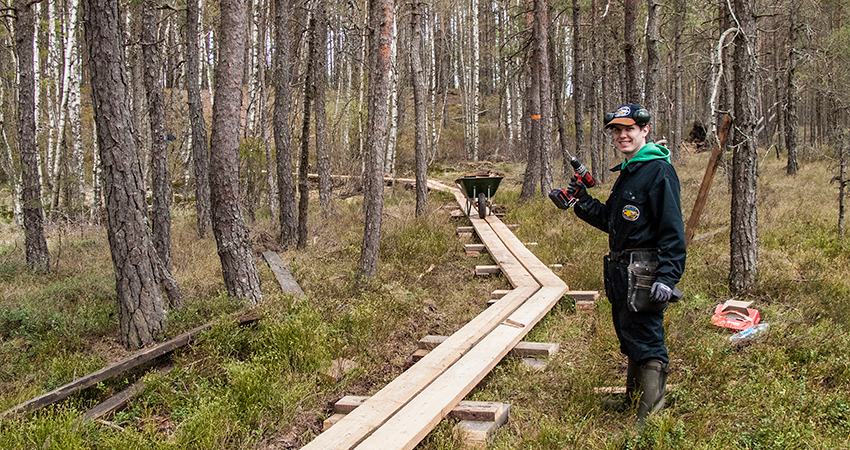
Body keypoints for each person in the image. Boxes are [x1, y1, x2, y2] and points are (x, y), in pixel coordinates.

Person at [566, 104, 686, 426]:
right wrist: (580, 201)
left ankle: (648, 420)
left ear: (644, 130)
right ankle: (633, 400)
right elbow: (613, 221)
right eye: (617, 131)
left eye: (629, 129)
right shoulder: (629, 171)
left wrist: (667, 276)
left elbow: (672, 230)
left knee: (648, 341)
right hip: (621, 271)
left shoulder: (659, 171)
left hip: (645, 271)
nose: (622, 135)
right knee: (629, 336)